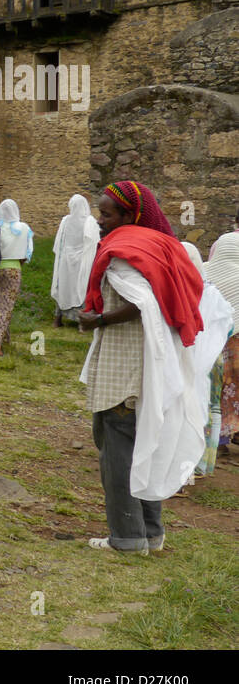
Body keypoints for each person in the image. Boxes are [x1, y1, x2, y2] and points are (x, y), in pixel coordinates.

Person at [77, 180, 230, 554]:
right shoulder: (162, 246)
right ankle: (151, 533)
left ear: (131, 214)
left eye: (107, 213)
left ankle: (127, 538)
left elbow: (143, 301)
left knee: (117, 451)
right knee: (145, 446)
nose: (100, 220)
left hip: (126, 366)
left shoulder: (125, 249)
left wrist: (99, 320)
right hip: (154, 369)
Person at [201, 232, 239, 470]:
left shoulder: (205, 271)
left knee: (214, 390)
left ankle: (219, 439)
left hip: (209, 342)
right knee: (234, 390)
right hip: (236, 342)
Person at [0, 198, 34, 355]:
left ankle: (5, 338)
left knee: (1, 304)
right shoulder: (23, 228)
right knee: (7, 306)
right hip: (13, 269)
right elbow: (28, 251)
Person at [51, 193, 100, 327]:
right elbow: (94, 241)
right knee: (81, 287)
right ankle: (81, 323)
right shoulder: (89, 221)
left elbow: (59, 243)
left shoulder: (66, 220)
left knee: (64, 287)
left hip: (66, 261)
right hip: (82, 261)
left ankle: (58, 320)